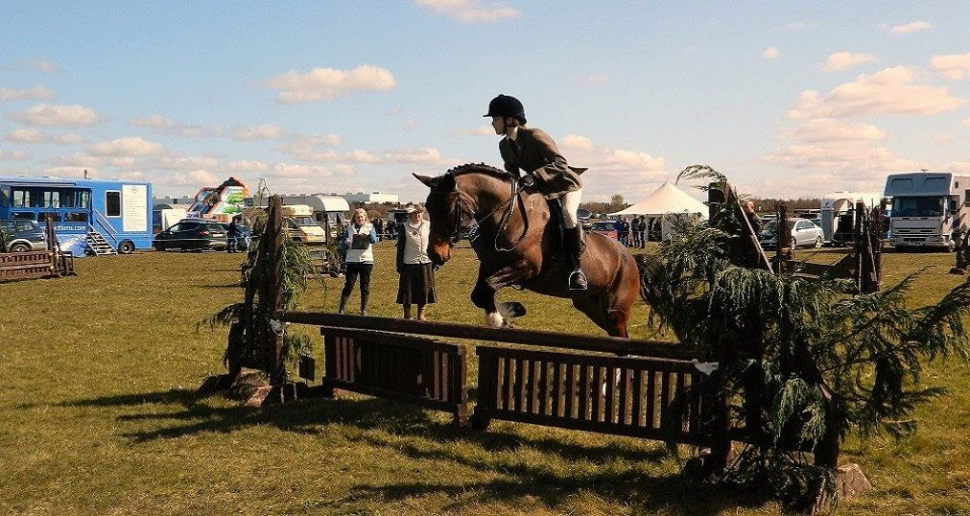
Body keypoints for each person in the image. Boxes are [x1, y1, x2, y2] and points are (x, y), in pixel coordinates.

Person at [485, 94, 589, 290]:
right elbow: (512, 172)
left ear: (509, 120)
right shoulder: (504, 145)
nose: (492, 124)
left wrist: (535, 175)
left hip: (566, 185)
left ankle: (577, 269)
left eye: (495, 119)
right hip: (543, 190)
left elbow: (561, 163)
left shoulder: (535, 135)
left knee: (567, 214)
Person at [396, 204, 436, 321]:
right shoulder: (404, 227)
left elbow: (434, 244)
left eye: (419, 212)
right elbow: (400, 248)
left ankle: (421, 314)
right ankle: (407, 314)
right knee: (407, 291)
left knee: (424, 289)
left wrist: (435, 261)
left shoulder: (428, 226)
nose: (417, 215)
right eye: (415, 213)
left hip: (425, 262)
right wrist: (399, 265)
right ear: (410, 215)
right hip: (409, 263)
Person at [338, 208, 378, 315]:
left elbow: (375, 240)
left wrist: (369, 236)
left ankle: (363, 309)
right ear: (354, 218)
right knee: (349, 284)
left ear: (365, 217)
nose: (360, 219)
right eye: (357, 217)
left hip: (366, 260)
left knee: (364, 285)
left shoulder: (370, 227)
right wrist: (346, 243)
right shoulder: (349, 229)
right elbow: (342, 246)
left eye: (361, 217)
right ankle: (341, 308)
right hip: (352, 260)